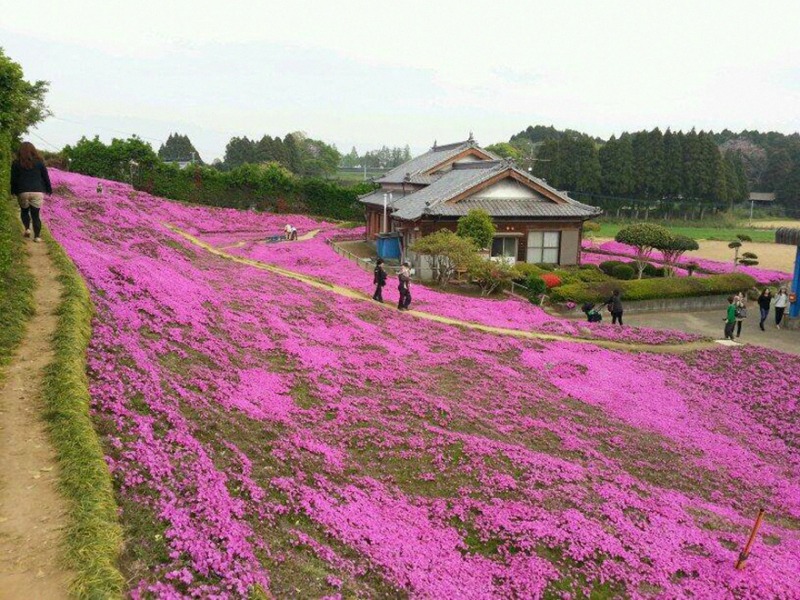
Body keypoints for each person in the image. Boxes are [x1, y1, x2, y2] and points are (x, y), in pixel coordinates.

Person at [10, 141, 52, 243]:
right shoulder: (39, 162)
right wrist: (49, 189)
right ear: (33, 150)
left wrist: (13, 191)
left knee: (24, 211)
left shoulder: (16, 163)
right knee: (35, 215)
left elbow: (13, 179)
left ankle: (27, 229)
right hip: (37, 191)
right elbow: (45, 177)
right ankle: (37, 237)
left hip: (22, 191)